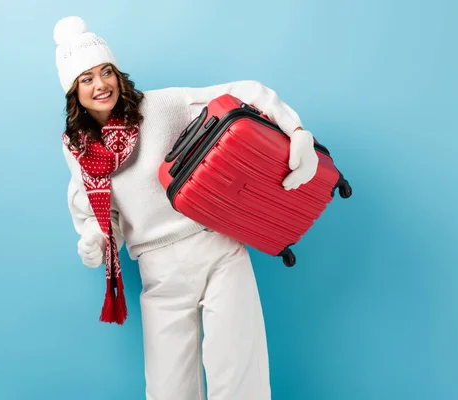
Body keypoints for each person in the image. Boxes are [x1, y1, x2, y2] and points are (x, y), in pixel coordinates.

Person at [54, 16, 319, 400]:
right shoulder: (77, 149)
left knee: (240, 378)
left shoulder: (160, 105)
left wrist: (295, 131)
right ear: (73, 91)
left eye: (105, 71)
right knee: (168, 391)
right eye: (86, 78)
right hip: (158, 273)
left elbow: (243, 93)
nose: (100, 85)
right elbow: (101, 211)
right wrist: (95, 238)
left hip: (215, 250)